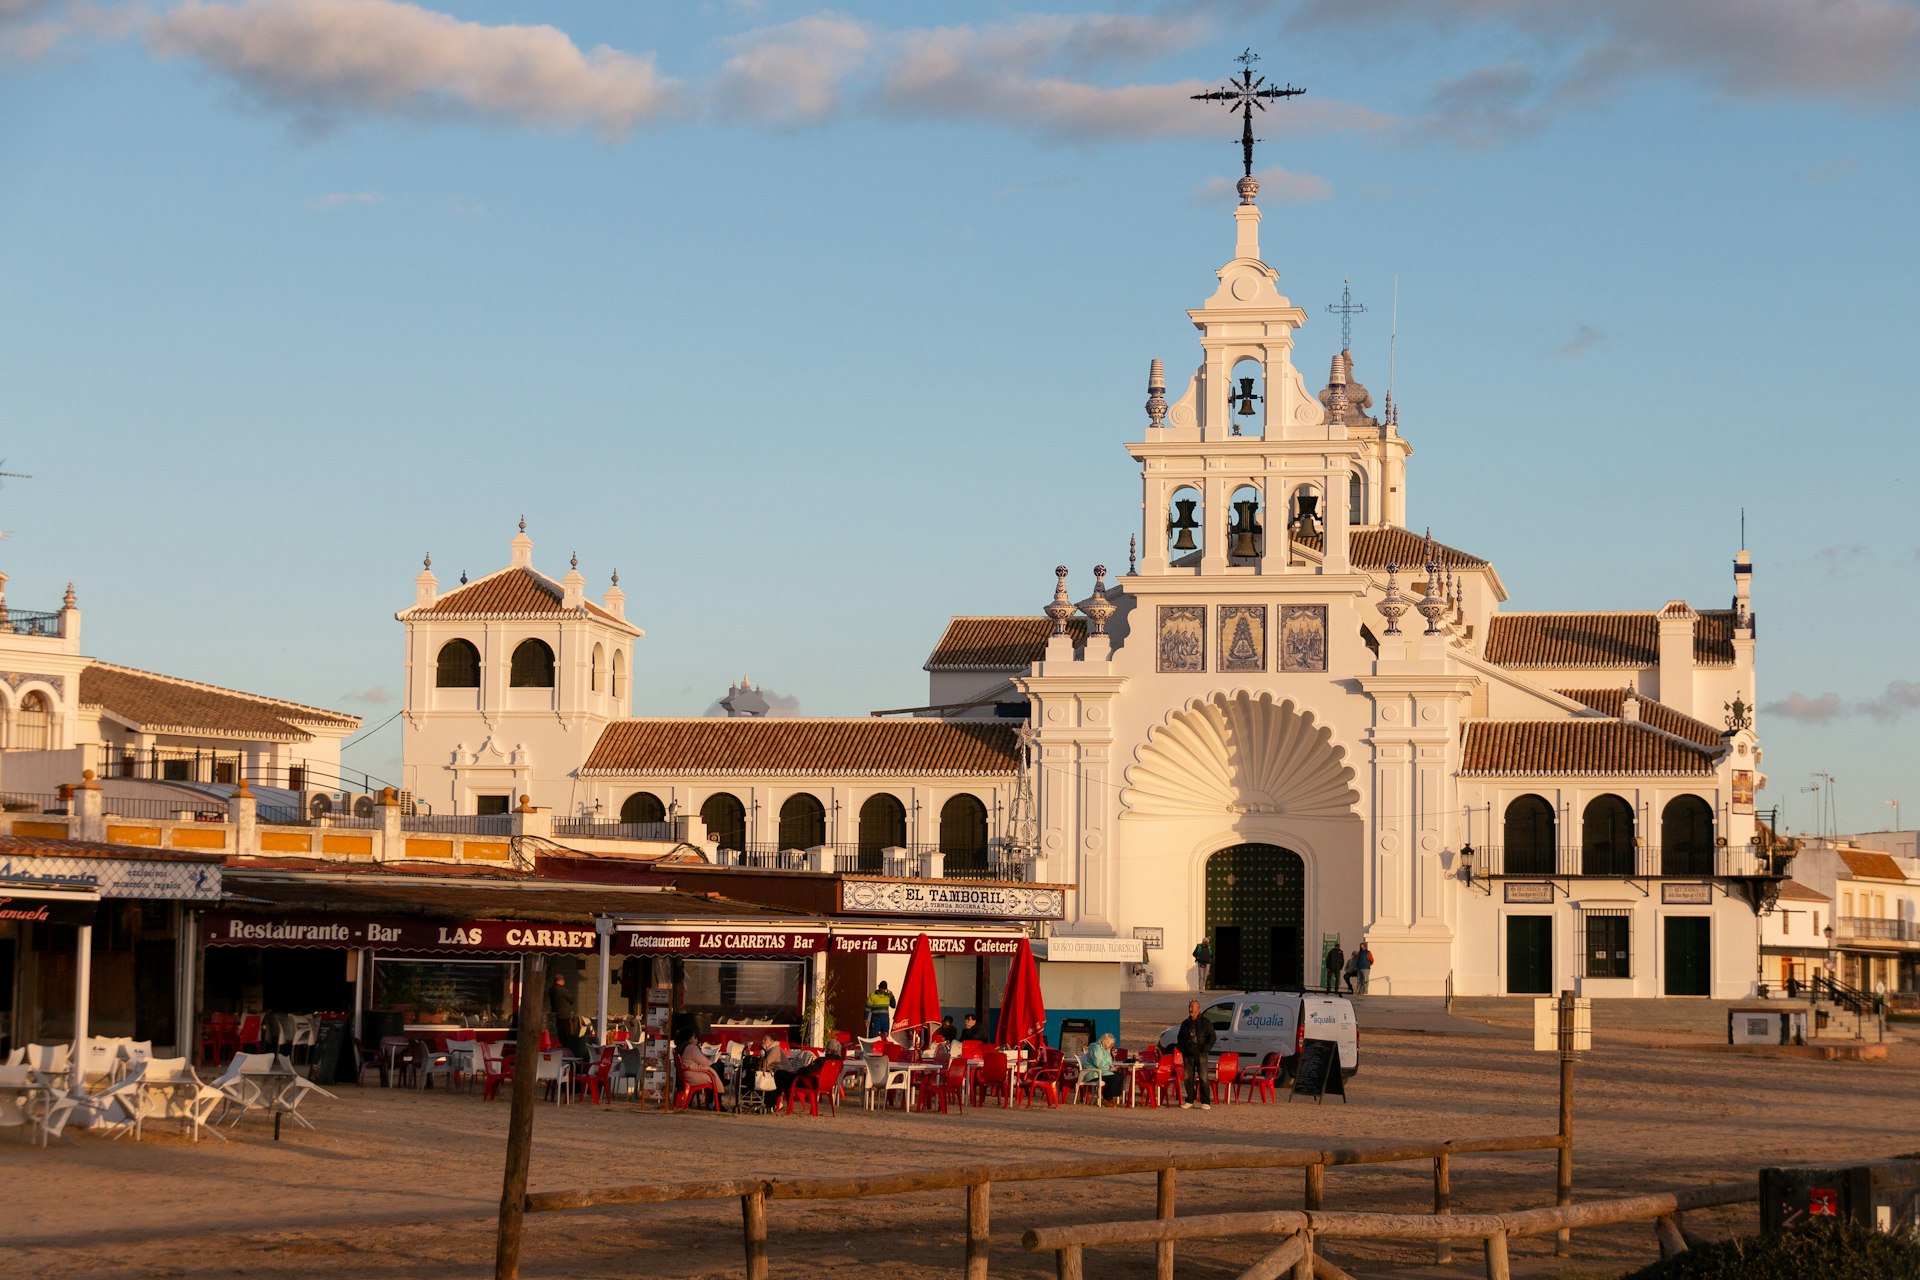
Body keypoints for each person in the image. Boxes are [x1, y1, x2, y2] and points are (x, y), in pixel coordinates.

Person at [1175, 1000, 1214, 1110]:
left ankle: (1205, 1102)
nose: (1190, 1009)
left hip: (1201, 1054)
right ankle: (1190, 1100)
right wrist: (1183, 1048)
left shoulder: (1206, 1022)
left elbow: (1212, 1037)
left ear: (1198, 1008)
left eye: (1192, 1007)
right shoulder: (1185, 1023)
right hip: (1188, 1054)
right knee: (1188, 1078)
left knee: (1203, 1077)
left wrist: (1205, 1048)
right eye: (1189, 1007)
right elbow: (1180, 1038)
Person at [548, 970, 592, 1066]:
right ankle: (567, 1053)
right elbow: (572, 999)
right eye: (563, 980)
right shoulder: (562, 990)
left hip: (557, 1015)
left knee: (560, 1034)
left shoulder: (551, 990)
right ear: (559, 980)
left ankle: (562, 1050)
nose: (564, 981)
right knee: (566, 1035)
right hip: (565, 1016)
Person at [1084, 1033, 1127, 1105]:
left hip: (1103, 1072)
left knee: (1120, 1076)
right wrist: (1110, 1069)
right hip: (1094, 1073)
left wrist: (1112, 1068)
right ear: (1106, 1042)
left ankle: (1114, 1097)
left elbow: (1108, 1061)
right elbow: (1098, 1063)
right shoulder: (1096, 1048)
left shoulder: (1105, 1049)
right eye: (1110, 1044)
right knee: (1114, 1078)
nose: (1111, 1046)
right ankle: (1107, 1099)